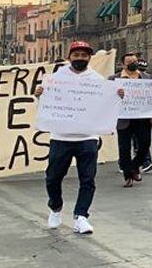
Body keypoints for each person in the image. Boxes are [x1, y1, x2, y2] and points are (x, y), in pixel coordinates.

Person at [36, 41, 116, 235]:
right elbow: (45, 104)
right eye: (77, 55)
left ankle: (81, 216)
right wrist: (39, 95)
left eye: (84, 55)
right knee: (53, 178)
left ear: (89, 58)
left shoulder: (98, 81)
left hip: (88, 138)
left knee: (87, 179)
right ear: (69, 57)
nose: (80, 58)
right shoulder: (56, 79)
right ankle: (55, 207)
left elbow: (106, 105)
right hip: (61, 137)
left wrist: (117, 96)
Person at [112, 52, 152, 187]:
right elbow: (107, 98)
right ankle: (128, 175)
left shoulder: (147, 78)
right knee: (124, 148)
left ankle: (135, 166)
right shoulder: (114, 79)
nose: (133, 64)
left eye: (135, 61)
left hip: (142, 118)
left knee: (145, 143)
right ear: (122, 64)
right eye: (130, 62)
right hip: (123, 118)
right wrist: (116, 94)